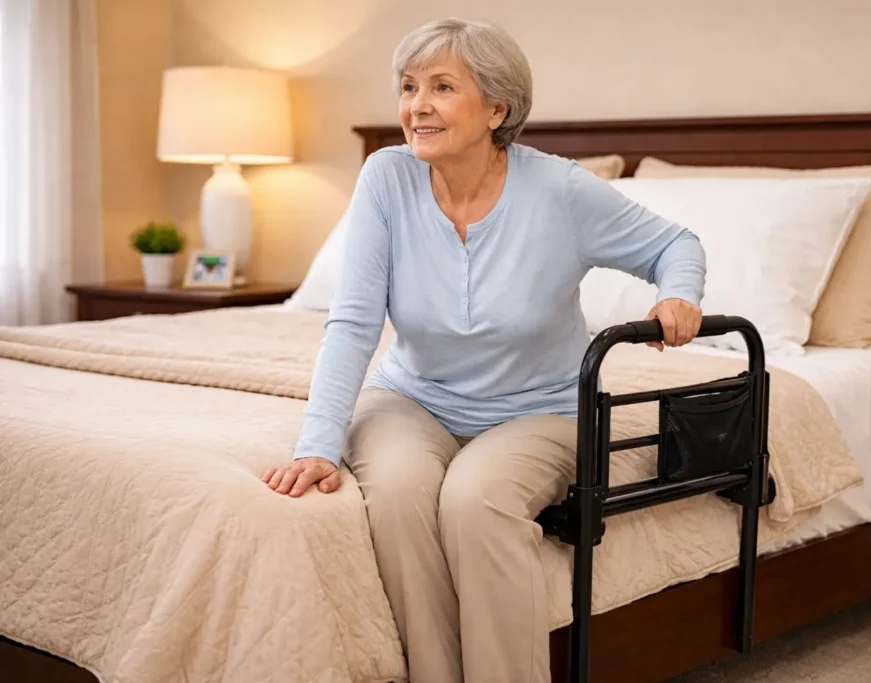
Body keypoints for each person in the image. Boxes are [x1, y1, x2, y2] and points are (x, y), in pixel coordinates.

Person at [260, 17, 706, 683]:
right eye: (409, 87)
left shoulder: (559, 190)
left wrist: (679, 295)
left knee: (474, 500)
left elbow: (677, 244)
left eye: (442, 87)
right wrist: (318, 443)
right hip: (414, 399)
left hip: (542, 409)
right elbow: (354, 321)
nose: (417, 105)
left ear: (498, 108)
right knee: (402, 495)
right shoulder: (387, 178)